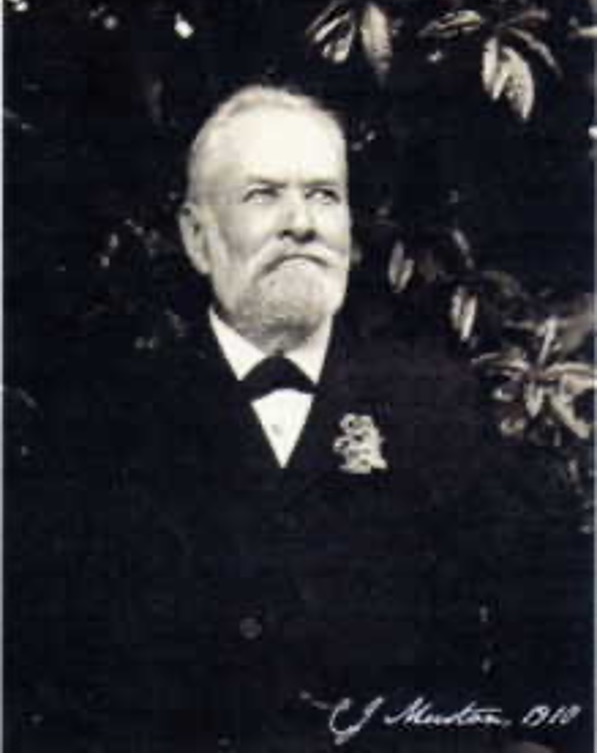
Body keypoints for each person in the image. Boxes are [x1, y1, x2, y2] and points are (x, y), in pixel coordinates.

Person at [6, 85, 591, 752]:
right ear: (197, 237)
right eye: (263, 195)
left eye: (323, 195)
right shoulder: (108, 425)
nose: (302, 223)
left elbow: (556, 648)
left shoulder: (436, 404)